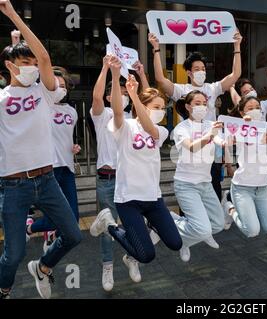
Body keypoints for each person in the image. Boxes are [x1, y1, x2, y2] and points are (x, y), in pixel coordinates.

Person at [0, 0, 81, 299]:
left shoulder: (43, 93)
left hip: (47, 181)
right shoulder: (1, 98)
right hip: (13, 186)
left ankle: (44, 267)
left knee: (73, 235)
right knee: (13, 254)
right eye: (25, 65)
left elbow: (45, 56)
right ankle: (4, 289)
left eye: (34, 64)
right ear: (9, 67)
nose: (33, 69)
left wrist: (13, 16)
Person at [90, 58, 182, 280]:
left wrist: (137, 88)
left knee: (175, 242)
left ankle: (141, 235)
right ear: (143, 106)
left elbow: (150, 128)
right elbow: (119, 112)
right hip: (128, 199)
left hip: (153, 198)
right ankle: (109, 224)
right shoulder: (124, 127)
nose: (160, 111)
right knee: (146, 255)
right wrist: (114, 74)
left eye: (162, 108)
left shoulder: (161, 132)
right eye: (156, 107)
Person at [149, 31, 242, 203]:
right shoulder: (181, 90)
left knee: (213, 189)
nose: (201, 72)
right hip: (190, 147)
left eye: (203, 69)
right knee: (190, 196)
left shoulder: (213, 88)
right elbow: (160, 79)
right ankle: (187, 221)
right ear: (189, 73)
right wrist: (156, 49)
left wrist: (237, 47)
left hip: (211, 148)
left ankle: (210, 223)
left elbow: (235, 75)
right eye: (197, 69)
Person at [90, 54, 151, 292]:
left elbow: (150, 100)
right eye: (120, 94)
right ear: (110, 96)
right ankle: (108, 266)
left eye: (126, 94)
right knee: (107, 224)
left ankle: (132, 258)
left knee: (131, 224)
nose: (123, 98)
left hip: (129, 179)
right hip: (106, 178)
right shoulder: (102, 115)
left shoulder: (134, 118)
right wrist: (106, 66)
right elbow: (95, 96)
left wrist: (141, 75)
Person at [26, 68, 81, 251]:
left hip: (67, 168)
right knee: (55, 216)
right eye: (56, 86)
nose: (60, 89)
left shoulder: (71, 111)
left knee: (73, 217)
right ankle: (30, 228)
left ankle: (50, 234)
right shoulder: (40, 107)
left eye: (63, 86)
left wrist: (74, 147)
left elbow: (66, 138)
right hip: (49, 168)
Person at [171, 90, 227, 262]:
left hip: (205, 184)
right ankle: (182, 234)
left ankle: (195, 235)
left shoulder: (210, 124)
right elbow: (192, 146)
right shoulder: (181, 128)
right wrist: (210, 135)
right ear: (188, 107)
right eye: (197, 103)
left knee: (218, 224)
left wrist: (227, 140)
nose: (202, 106)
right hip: (186, 184)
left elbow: (220, 141)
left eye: (204, 103)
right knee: (203, 229)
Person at [220, 96, 267, 238]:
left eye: (257, 107)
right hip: (242, 187)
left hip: (262, 188)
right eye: (250, 108)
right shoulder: (239, 128)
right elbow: (228, 141)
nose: (255, 110)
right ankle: (229, 208)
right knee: (252, 231)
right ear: (242, 112)